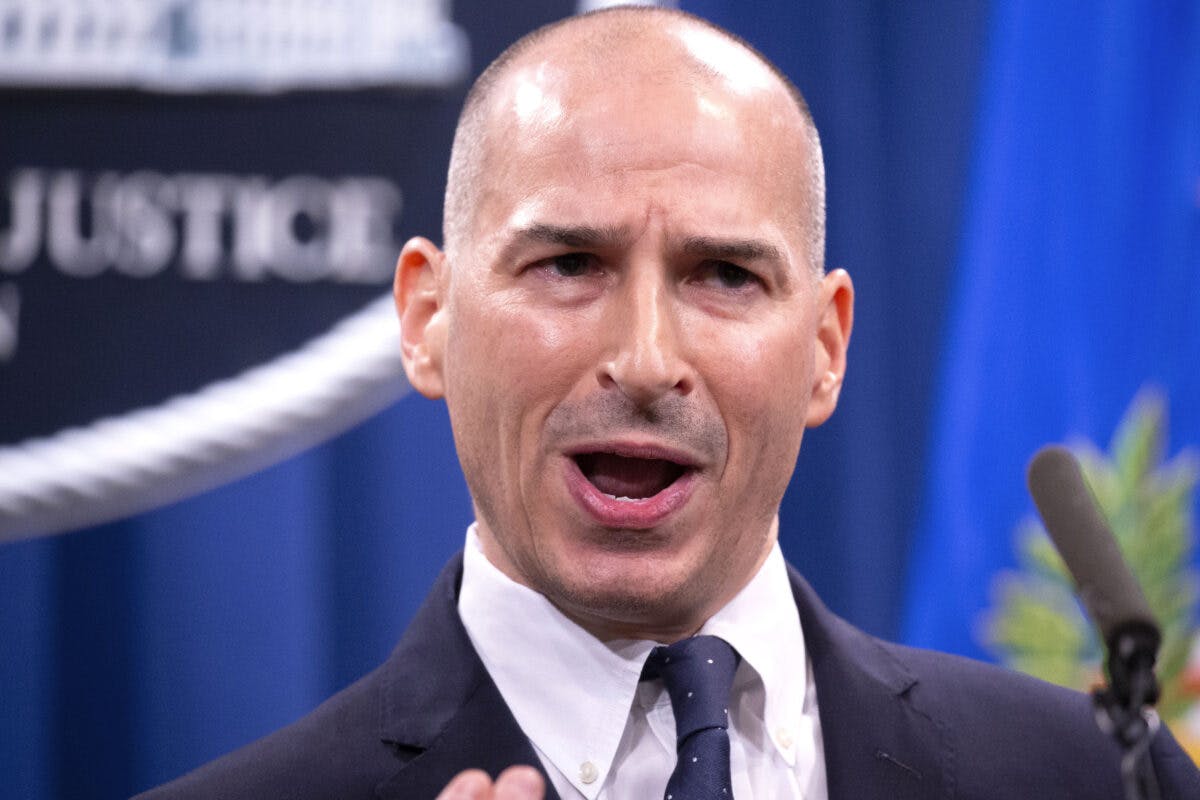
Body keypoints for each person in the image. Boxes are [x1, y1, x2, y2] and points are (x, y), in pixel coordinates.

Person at [136, 7, 1200, 800]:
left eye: (725, 275)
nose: (646, 360)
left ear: (825, 348)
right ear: (427, 319)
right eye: (567, 263)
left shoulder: (1103, 777)